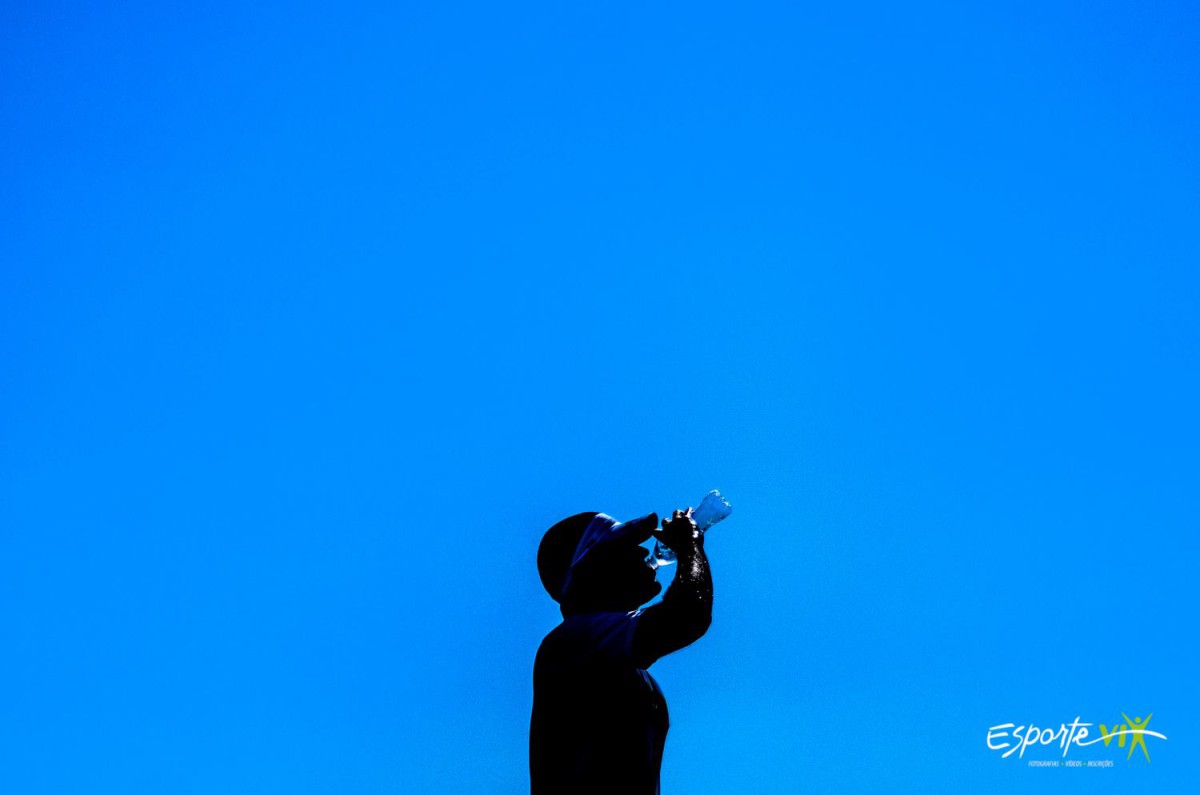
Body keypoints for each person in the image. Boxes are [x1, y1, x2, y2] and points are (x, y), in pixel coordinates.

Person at [530, 507, 713, 795]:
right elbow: (687, 616)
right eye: (624, 547)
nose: (643, 552)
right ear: (589, 571)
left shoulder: (601, 649)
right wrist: (690, 546)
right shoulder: (576, 640)